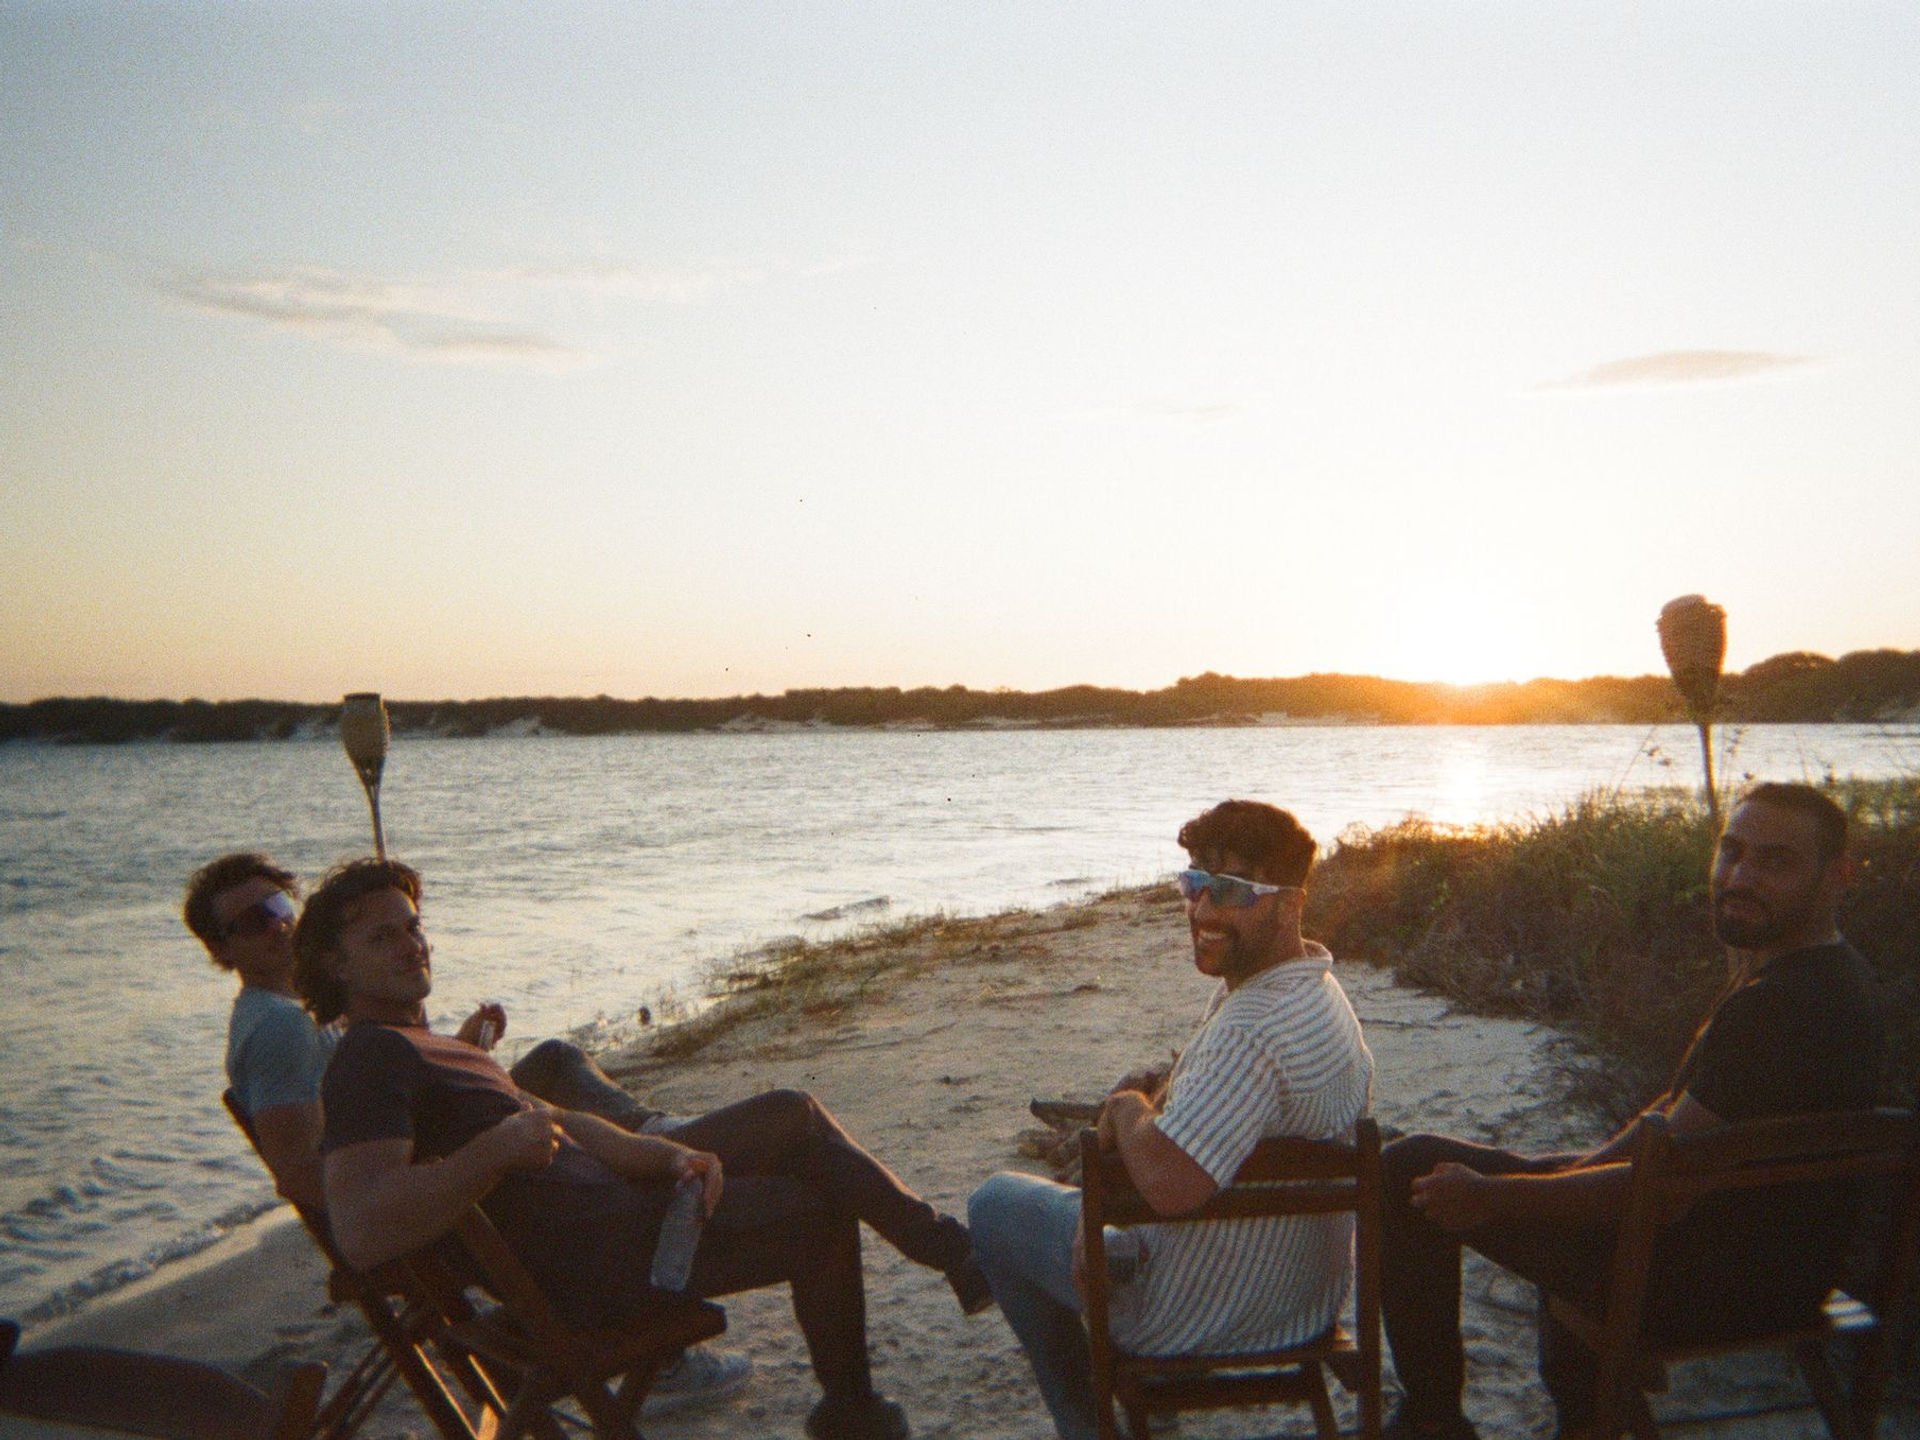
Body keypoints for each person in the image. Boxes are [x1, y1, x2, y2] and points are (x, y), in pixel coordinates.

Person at [295, 857, 989, 1440]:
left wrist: (668, 1158)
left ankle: (885, 1362)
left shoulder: (429, 1046)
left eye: (413, 927)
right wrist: (494, 1153)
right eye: (383, 937)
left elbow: (571, 1123)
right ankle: (896, 1347)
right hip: (598, 1267)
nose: (411, 945)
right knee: (816, 1203)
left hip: (624, 1219)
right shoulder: (369, 1056)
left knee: (793, 1128)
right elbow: (360, 1229)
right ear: (335, 966)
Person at [1379, 782, 1888, 1440]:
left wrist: (1499, 1196)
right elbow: (1673, 1120)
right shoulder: (1829, 976)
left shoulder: (1781, 1006)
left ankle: (1435, 1420)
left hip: (1719, 1283)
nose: (1740, 876)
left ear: (1838, 875)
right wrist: (1556, 1176)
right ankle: (1580, 1416)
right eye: (1731, 852)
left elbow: (1665, 1191)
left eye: (1775, 861)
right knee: (1460, 1169)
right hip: (1771, 1262)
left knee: (1406, 1175)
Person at [182, 851, 751, 1415]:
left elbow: (383, 1094)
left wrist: (455, 1058)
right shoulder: (279, 1028)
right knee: (553, 1081)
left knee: (551, 1061)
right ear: (222, 950)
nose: (277, 922)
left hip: (429, 1154)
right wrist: (446, 1157)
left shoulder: (303, 1011)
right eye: (252, 921)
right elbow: (300, 1173)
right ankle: (667, 1139)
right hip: (410, 1211)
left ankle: (658, 1134)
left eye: (279, 905)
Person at [968, 799, 1375, 1440]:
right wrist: (1162, 1092)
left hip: (1204, 1310)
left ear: (1290, 903)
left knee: (993, 1206)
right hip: (1304, 1303)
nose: (1203, 911)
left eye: (1232, 891)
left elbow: (1169, 1184)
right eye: (1195, 884)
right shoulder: (1317, 993)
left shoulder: (1253, 1029)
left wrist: (1128, 1110)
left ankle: (1092, 1429)